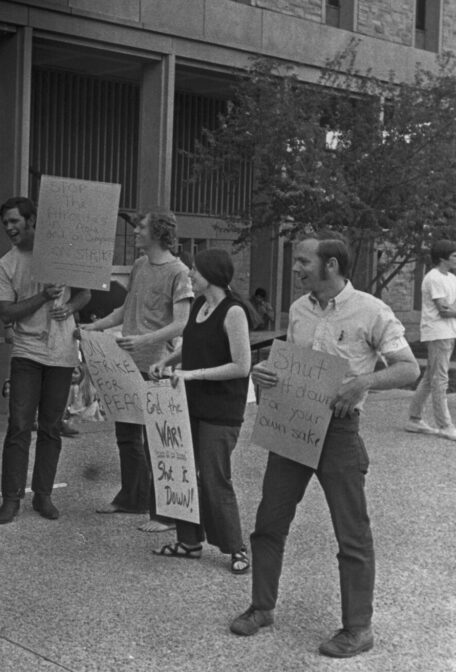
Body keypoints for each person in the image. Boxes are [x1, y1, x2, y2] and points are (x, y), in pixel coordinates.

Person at [230, 230, 418, 658]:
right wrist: (266, 374)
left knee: (352, 533)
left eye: (302, 262)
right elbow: (295, 366)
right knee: (268, 522)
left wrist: (363, 383)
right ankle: (262, 607)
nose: (295, 268)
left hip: (339, 431)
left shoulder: (372, 310)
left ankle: (358, 628)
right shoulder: (299, 309)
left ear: (330, 266)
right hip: (294, 426)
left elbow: (409, 370)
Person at [82, 210, 192, 532]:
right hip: (127, 362)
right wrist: (93, 328)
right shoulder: (140, 266)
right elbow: (125, 310)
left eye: (141, 228)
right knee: (127, 435)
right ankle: (132, 498)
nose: (134, 232)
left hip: (156, 365)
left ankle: (164, 513)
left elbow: (181, 323)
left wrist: (143, 339)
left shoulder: (179, 272)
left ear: (157, 233)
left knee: (155, 439)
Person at [148, 248, 254, 574]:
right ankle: (189, 541)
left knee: (213, 476)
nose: (190, 274)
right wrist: (166, 363)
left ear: (210, 274)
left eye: (195, 269)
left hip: (221, 409)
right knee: (180, 471)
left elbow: (241, 365)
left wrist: (192, 375)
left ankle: (236, 547)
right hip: (188, 404)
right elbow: (191, 347)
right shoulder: (198, 306)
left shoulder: (232, 312)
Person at [0, 196, 91, 524]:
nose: (9, 228)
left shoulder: (62, 252)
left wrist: (71, 307)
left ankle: (44, 495)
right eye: (5, 222)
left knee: (51, 426)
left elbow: (85, 293)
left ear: (32, 220)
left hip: (62, 352)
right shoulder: (6, 264)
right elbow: (6, 311)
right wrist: (43, 297)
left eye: (15, 221)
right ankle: (11, 498)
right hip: (26, 351)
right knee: (19, 424)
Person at [405, 239, 456, 440]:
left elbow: (451, 308)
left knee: (430, 377)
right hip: (437, 332)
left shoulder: (451, 278)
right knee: (440, 378)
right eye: (454, 256)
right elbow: (444, 310)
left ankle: (414, 419)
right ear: (443, 258)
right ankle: (445, 425)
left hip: (448, 332)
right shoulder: (433, 278)